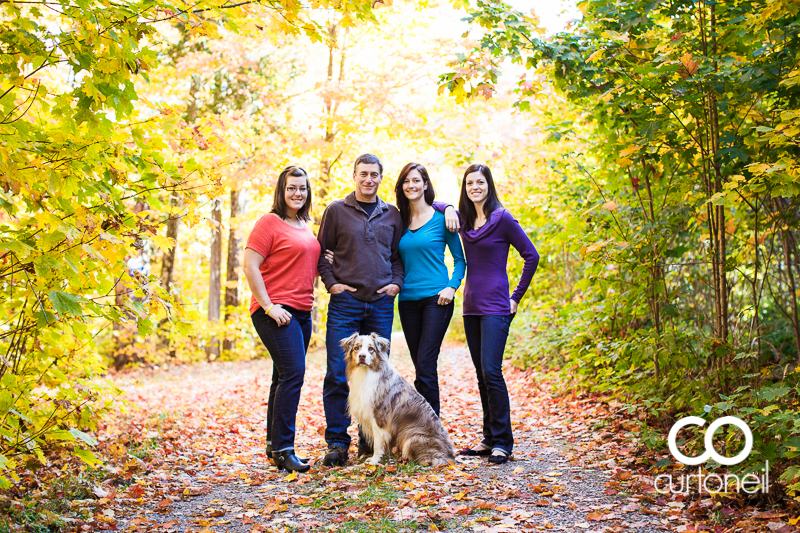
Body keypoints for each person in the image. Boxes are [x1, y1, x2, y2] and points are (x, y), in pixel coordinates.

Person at [316, 153, 405, 466]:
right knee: (338, 374)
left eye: (374, 175)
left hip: (381, 303)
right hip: (345, 304)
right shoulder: (336, 211)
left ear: (381, 177)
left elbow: (398, 256)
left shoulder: (392, 214)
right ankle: (338, 443)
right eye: (363, 174)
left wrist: (396, 282)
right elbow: (319, 252)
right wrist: (332, 284)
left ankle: (370, 442)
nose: (369, 179)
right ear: (354, 176)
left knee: (378, 375)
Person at [455, 164, 539, 465]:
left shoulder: (502, 218)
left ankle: (503, 442)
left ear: (489, 185)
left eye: (479, 182)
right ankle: (489, 439)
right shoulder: (464, 219)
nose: (474, 187)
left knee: (492, 371)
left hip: (497, 308)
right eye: (469, 183)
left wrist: (515, 297)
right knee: (481, 375)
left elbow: (531, 255)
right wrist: (450, 206)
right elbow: (435, 203)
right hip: (471, 307)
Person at [243, 166, 319, 473]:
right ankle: (286, 448)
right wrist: (268, 305)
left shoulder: (304, 224)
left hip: (302, 312)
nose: (297, 193)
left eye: (302, 188)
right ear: (281, 190)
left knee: (282, 376)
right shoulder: (269, 222)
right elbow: (250, 265)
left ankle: (274, 447)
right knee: (293, 374)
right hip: (276, 312)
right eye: (291, 188)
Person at [394, 163, 465, 417]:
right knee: (419, 366)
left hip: (437, 300)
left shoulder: (443, 219)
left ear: (425, 184)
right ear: (401, 187)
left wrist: (452, 287)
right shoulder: (398, 221)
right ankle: (421, 425)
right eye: (406, 181)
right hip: (407, 301)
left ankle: (432, 430)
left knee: (425, 363)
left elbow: (460, 260)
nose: (411, 185)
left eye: (416, 180)